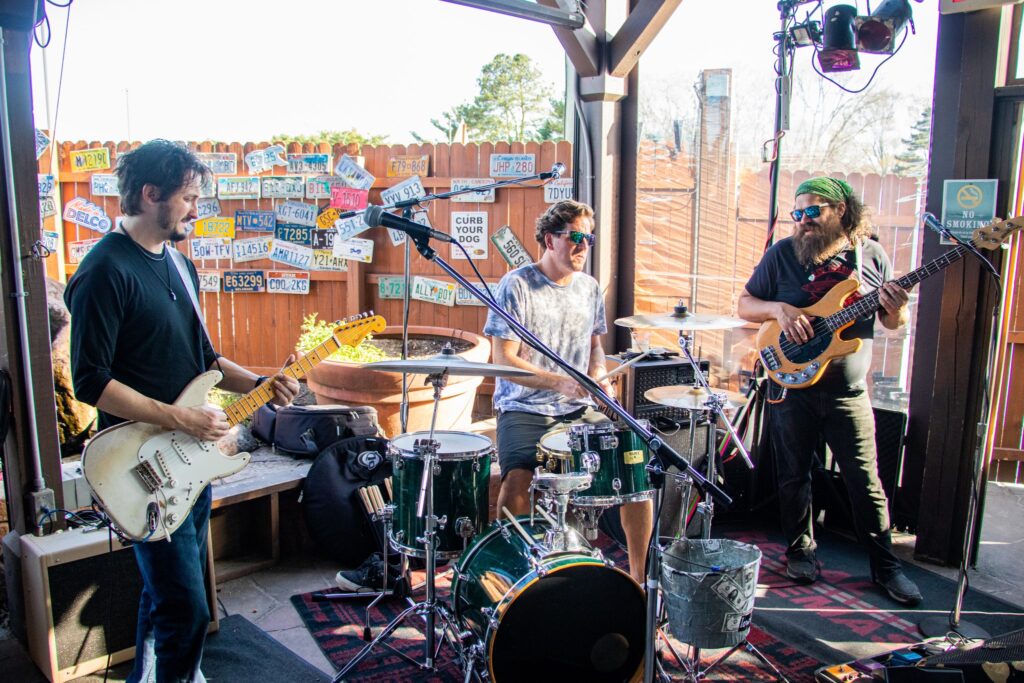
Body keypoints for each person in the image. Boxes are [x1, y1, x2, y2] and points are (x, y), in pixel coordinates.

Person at [65, 139, 300, 682]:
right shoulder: (104, 271)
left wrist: (260, 381)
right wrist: (179, 418)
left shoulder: (179, 264)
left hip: (190, 462)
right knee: (187, 610)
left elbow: (205, 358)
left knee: (164, 595)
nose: (197, 209)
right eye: (189, 197)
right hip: (140, 466)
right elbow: (90, 381)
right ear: (151, 195)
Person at [737, 176, 923, 606]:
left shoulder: (869, 255)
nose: (802, 221)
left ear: (841, 211)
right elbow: (745, 303)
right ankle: (800, 551)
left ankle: (886, 567)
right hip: (792, 387)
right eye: (797, 213)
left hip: (847, 392)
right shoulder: (782, 254)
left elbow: (894, 325)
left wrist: (898, 309)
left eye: (812, 211)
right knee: (792, 476)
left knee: (866, 482)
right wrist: (778, 310)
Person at [484, 199, 654, 584]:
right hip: (523, 406)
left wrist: (601, 382)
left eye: (588, 238)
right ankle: (517, 575)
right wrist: (557, 381)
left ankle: (640, 583)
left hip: (577, 408)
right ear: (550, 239)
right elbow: (502, 359)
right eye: (575, 237)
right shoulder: (517, 285)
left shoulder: (590, 288)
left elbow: (594, 348)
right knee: (517, 478)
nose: (583, 246)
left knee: (634, 467)